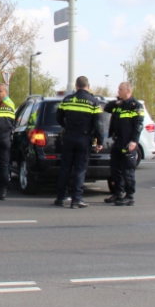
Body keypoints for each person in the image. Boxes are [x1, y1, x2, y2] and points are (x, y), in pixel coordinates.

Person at [53, 76, 104, 209]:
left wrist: (66, 126)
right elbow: (99, 124)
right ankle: (76, 199)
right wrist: (100, 141)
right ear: (88, 86)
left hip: (69, 137)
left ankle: (61, 197)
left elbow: (58, 116)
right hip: (84, 138)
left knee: (65, 168)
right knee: (80, 170)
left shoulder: (67, 99)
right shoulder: (93, 102)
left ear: (76, 86)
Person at [103, 81, 145, 206]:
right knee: (115, 170)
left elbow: (138, 125)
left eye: (120, 89)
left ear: (128, 91)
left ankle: (130, 196)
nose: (118, 92)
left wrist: (134, 141)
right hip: (118, 141)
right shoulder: (119, 104)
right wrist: (116, 102)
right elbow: (107, 108)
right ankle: (118, 193)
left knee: (128, 171)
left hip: (128, 142)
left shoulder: (135, 106)